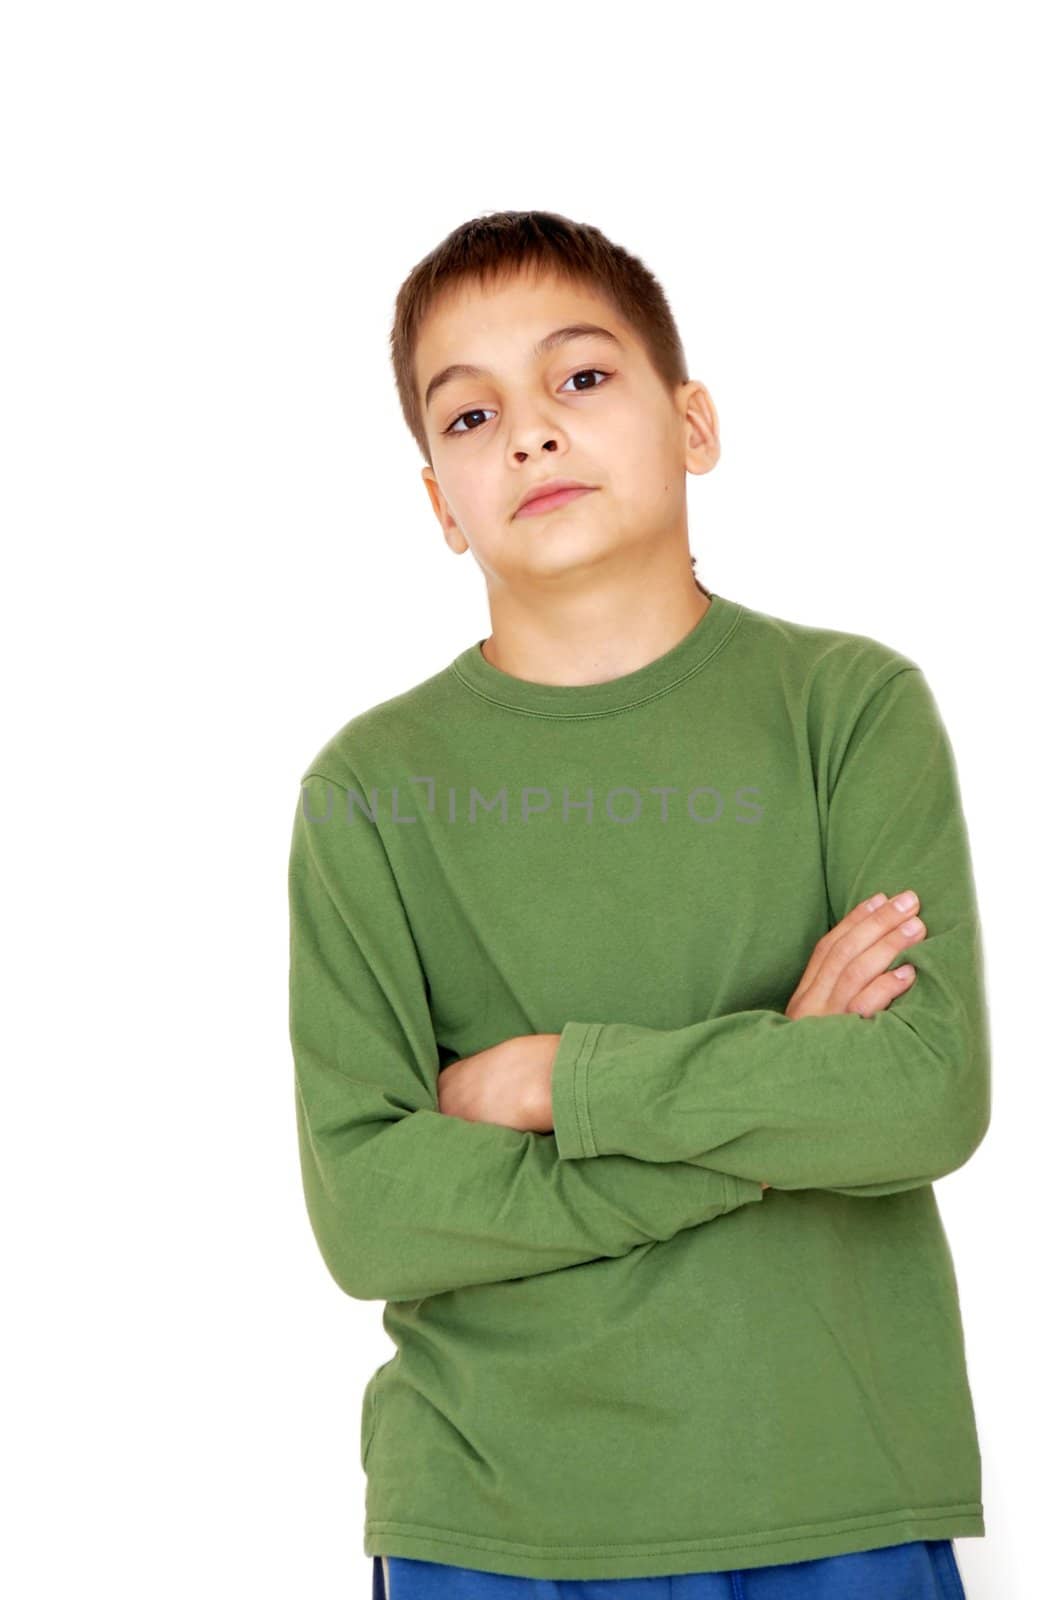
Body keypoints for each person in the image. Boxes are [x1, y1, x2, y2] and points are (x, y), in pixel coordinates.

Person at [288, 210, 987, 1599]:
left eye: (580, 378)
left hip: (833, 1479)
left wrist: (563, 1082)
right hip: (493, 1519)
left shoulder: (848, 711)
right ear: (438, 500)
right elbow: (372, 1212)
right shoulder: (369, 788)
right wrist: (776, 1082)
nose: (531, 433)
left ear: (694, 423)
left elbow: (919, 1096)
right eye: (471, 414)